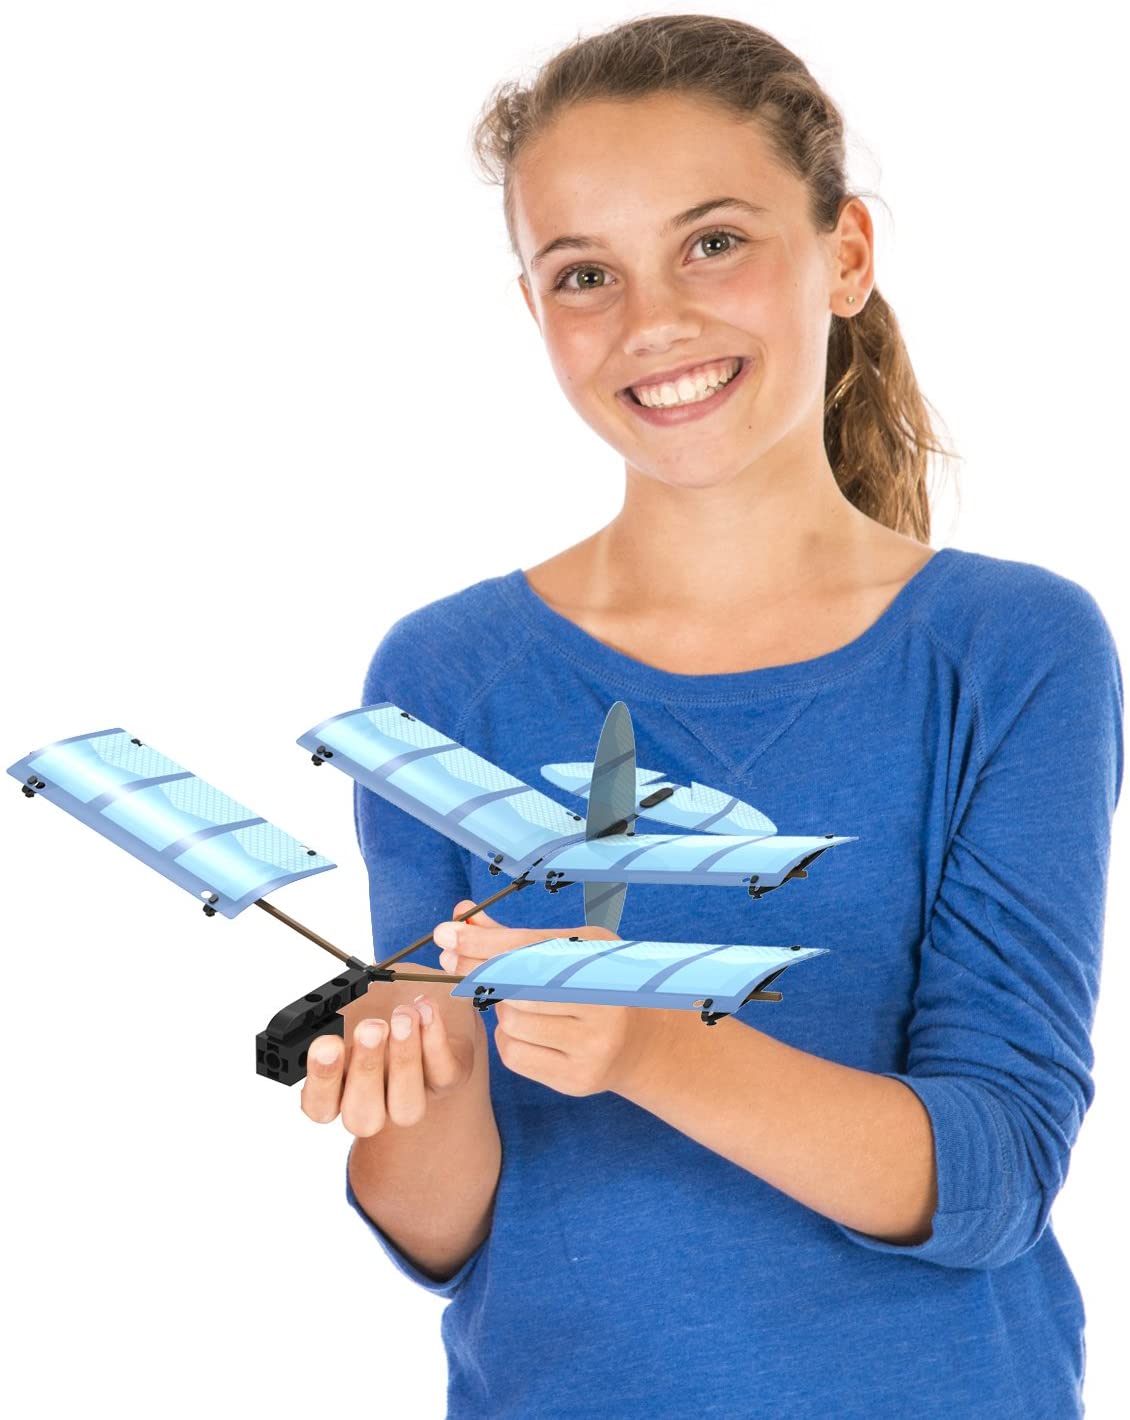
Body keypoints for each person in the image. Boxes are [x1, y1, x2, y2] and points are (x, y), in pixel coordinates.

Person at [300, 15, 1123, 1418]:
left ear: (845, 255)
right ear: (533, 313)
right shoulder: (443, 678)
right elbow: (442, 1232)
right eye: (584, 274)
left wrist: (649, 1036)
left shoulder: (1009, 649)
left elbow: (989, 1177)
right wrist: (412, 1086)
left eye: (714, 242)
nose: (653, 323)